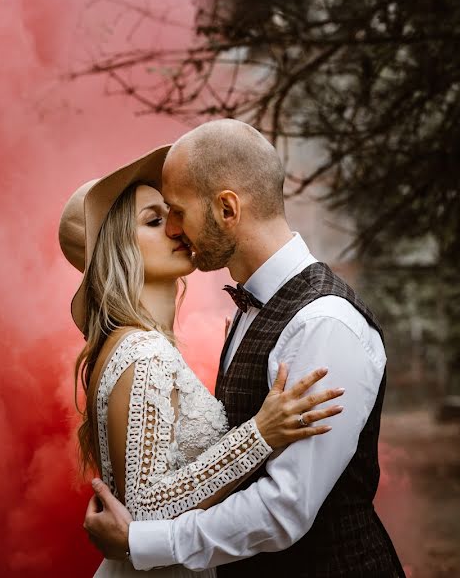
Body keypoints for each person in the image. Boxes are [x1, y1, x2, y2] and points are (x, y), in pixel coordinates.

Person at [82, 120, 405, 577]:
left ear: (227, 208)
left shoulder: (324, 324)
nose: (175, 229)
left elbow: (283, 510)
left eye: (176, 211)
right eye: (160, 218)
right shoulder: (251, 307)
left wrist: (146, 542)